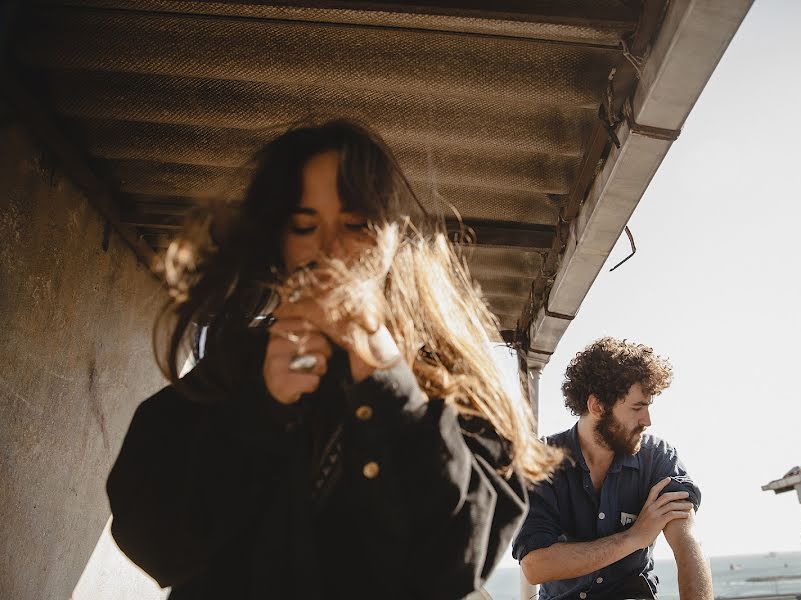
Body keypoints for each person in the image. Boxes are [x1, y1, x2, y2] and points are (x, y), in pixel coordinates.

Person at [106, 120, 562, 599]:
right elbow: (153, 542)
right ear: (279, 243)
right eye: (305, 226)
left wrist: (393, 393)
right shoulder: (236, 364)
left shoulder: (450, 380)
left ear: (392, 238)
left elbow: (457, 564)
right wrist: (260, 413)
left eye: (355, 225)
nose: (331, 251)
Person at [513, 337, 713, 600]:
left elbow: (687, 542)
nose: (647, 420)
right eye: (637, 408)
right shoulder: (540, 460)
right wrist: (633, 538)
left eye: (648, 407)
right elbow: (535, 566)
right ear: (597, 406)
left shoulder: (658, 458)